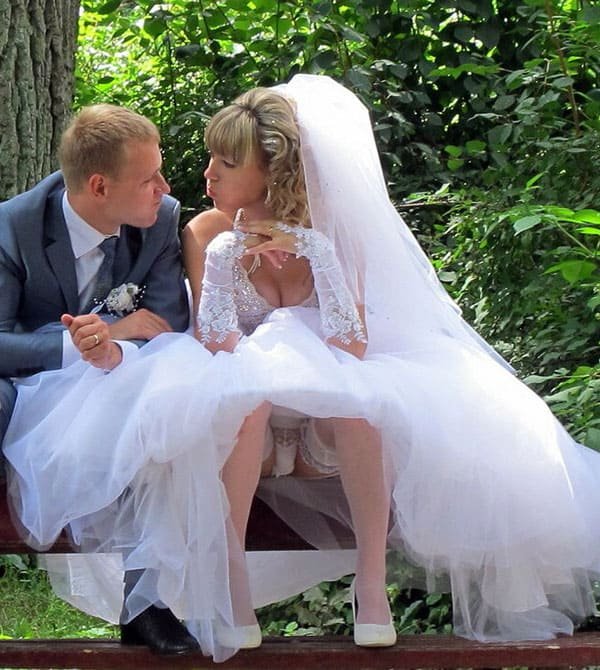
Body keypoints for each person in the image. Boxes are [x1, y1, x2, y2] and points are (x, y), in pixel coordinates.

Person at [182, 73, 600, 647]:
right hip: (249, 409)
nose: (209, 173)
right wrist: (227, 254)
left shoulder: (333, 232)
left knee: (361, 403)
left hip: (321, 416)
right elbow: (215, 342)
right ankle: (232, 588)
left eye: (226, 162)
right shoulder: (205, 231)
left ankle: (371, 588)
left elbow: (350, 347)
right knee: (245, 398)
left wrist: (314, 250)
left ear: (273, 171)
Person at [0, 104, 199, 655]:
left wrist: (113, 346)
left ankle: (147, 603)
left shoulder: (161, 220)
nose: (165, 187)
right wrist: (82, 342)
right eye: (149, 178)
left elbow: (167, 323)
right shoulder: (13, 227)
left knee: (164, 403)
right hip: (36, 386)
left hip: (123, 376)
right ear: (99, 186)